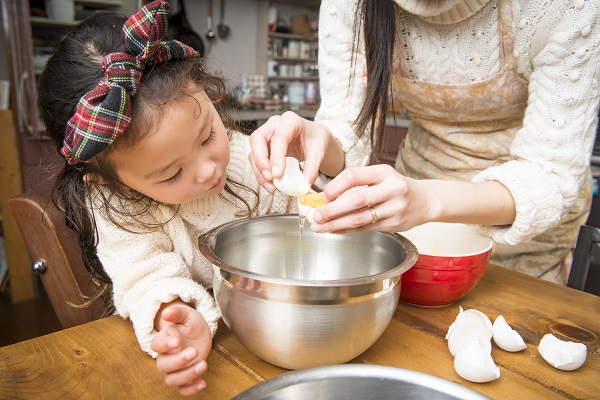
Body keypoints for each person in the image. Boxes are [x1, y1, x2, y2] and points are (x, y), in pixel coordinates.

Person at [37, 1, 297, 396]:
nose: (209, 170)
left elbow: (300, 221)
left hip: (287, 328)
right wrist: (170, 316)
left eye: (209, 134)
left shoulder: (248, 159)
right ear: (106, 181)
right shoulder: (119, 210)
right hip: (227, 358)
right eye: (172, 173)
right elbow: (145, 279)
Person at [249, 0, 600, 285]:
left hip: (525, 233)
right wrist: (322, 141)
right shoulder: (351, 5)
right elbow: (348, 125)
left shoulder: (563, 8)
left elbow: (550, 173)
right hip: (416, 220)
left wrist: (427, 200)